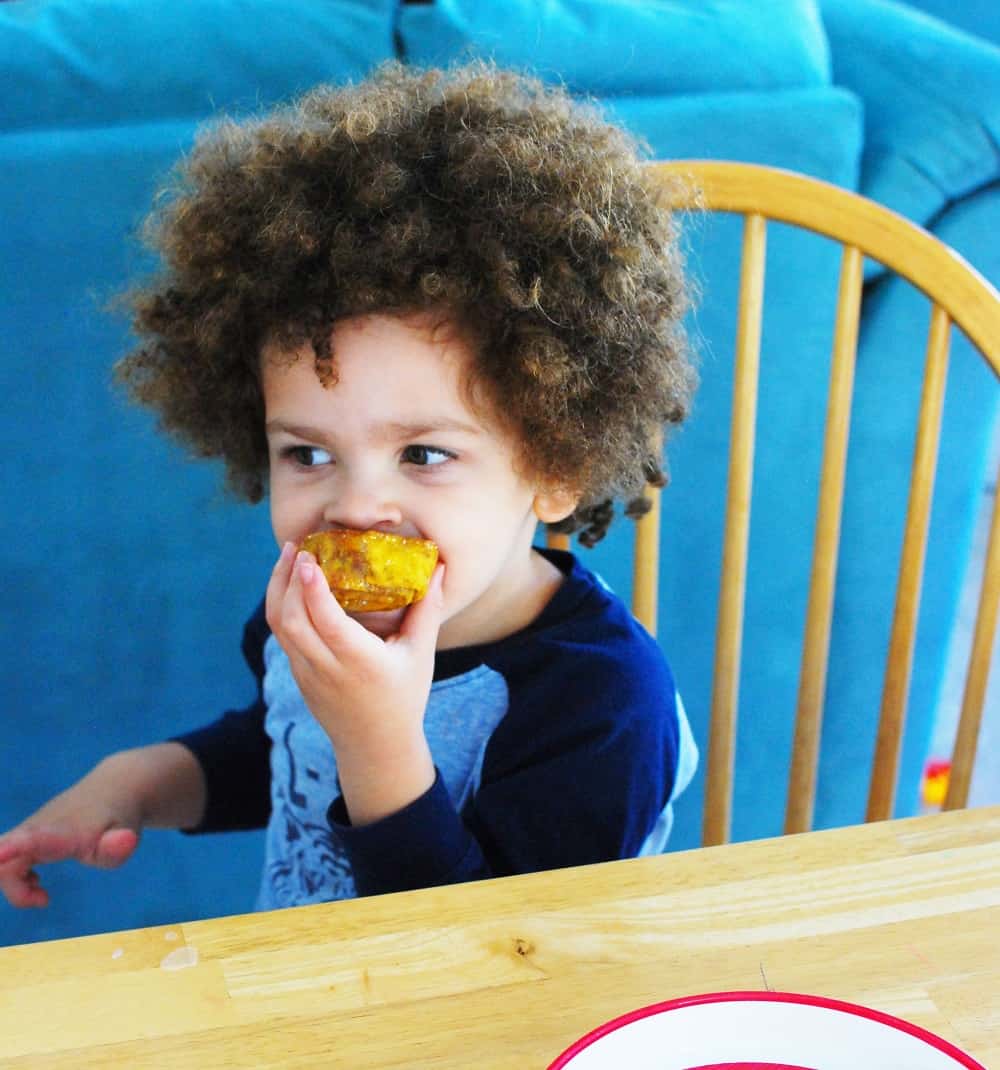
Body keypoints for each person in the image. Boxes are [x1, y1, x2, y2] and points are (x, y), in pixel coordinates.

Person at [0, 62, 698, 912]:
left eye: (425, 455)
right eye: (308, 455)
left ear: (558, 466)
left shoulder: (601, 706)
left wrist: (380, 742)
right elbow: (289, 755)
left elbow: (488, 962)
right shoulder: (309, 616)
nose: (356, 507)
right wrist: (140, 782)